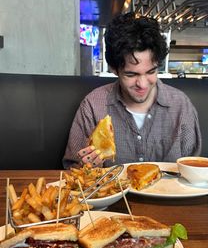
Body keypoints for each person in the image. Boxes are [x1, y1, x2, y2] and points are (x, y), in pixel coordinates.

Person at [63, 13, 201, 169]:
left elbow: (193, 169)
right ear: (115, 69)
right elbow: (73, 168)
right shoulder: (93, 105)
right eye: (131, 74)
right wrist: (86, 167)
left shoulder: (181, 106)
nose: (142, 84)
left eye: (150, 72)